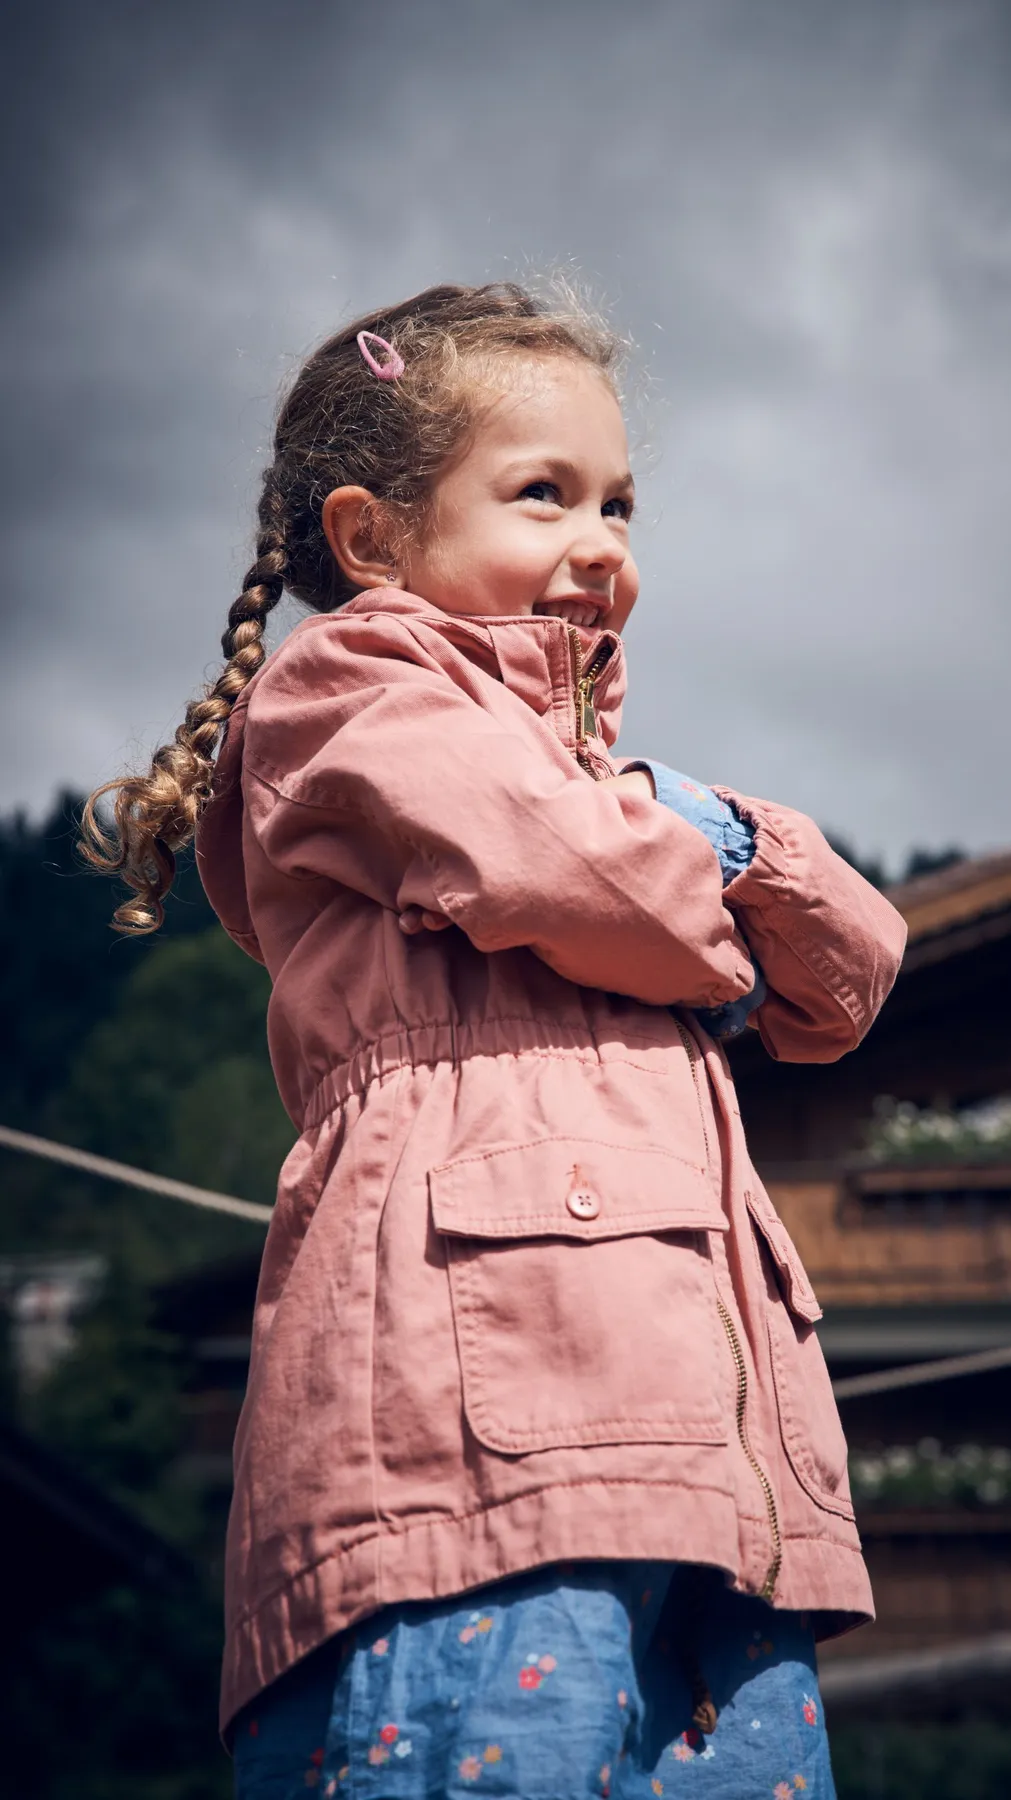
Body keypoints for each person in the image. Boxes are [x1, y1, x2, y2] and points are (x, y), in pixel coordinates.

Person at [83, 283, 906, 1798]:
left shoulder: (617, 789)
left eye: (623, 503)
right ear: (372, 538)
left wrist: (701, 834)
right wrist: (703, 894)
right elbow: (566, 871)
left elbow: (852, 974)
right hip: (479, 1462)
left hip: (710, 1476)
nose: (606, 545)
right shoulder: (350, 697)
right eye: (544, 495)